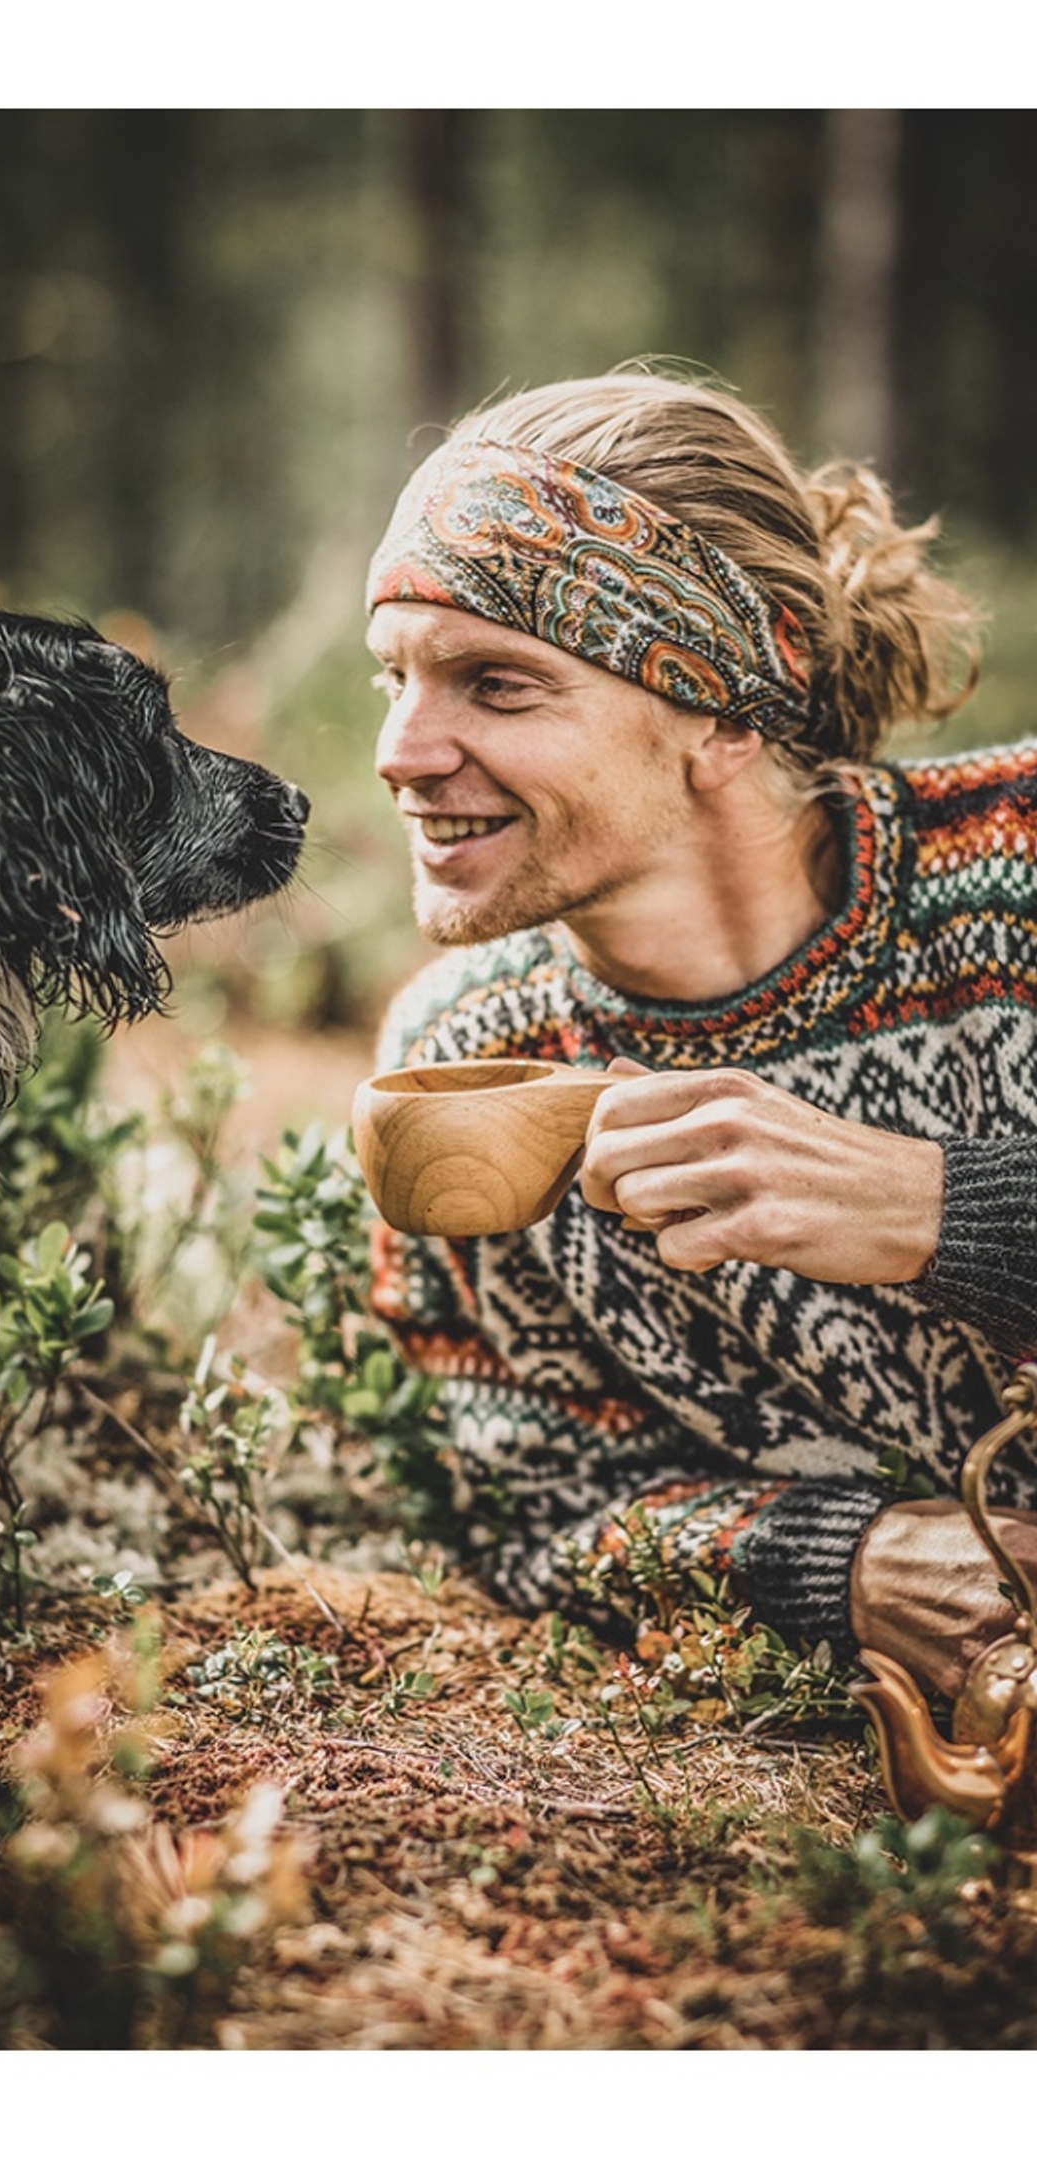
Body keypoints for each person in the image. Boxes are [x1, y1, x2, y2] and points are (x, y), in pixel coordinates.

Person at [365, 369, 1037, 1710]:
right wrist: (834, 1564)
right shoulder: (470, 1069)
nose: (401, 750)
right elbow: (532, 1507)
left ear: (726, 712)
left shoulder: (1015, 874)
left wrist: (947, 1210)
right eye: (394, 677)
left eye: (494, 685)